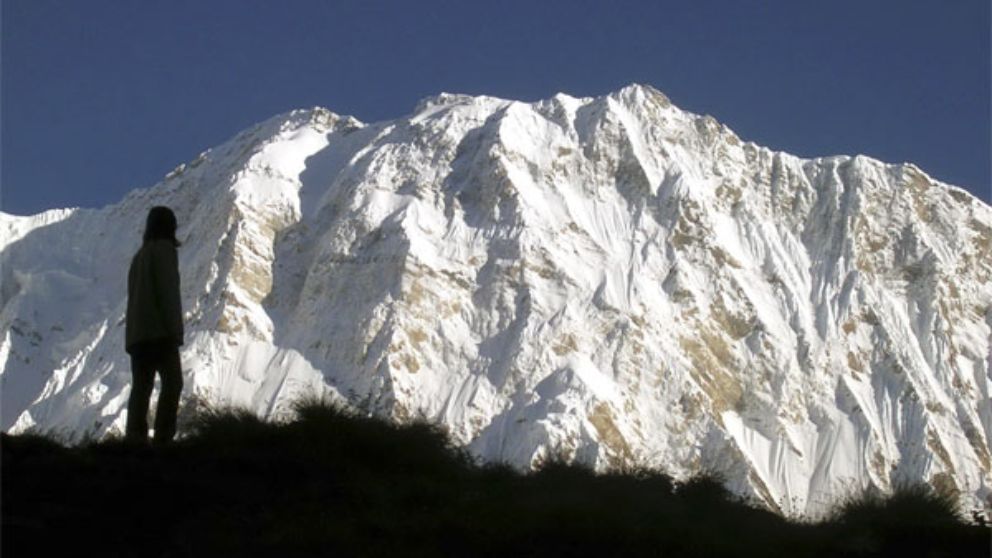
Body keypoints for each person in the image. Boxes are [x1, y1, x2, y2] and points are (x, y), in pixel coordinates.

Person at [125, 206, 184, 445]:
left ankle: (134, 438)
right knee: (173, 383)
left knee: (141, 387)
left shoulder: (138, 257)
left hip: (137, 335)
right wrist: (175, 330)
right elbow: (168, 292)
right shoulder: (165, 251)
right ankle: (163, 437)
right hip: (160, 332)